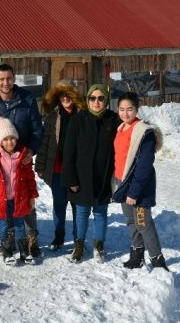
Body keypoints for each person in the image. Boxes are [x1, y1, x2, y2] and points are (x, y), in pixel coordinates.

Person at [0, 64, 44, 258]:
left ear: (14, 79)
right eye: (1, 79)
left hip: (21, 158)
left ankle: (32, 238)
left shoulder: (26, 99)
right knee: (2, 199)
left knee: (25, 199)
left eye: (9, 78)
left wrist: (32, 150)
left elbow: (37, 129)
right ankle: (7, 241)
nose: (6, 82)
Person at [62, 84, 120, 263]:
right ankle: (79, 244)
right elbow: (69, 152)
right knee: (81, 212)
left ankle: (99, 244)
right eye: (93, 98)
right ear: (87, 100)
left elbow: (129, 134)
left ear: (106, 100)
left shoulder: (113, 120)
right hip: (82, 176)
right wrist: (70, 178)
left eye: (101, 98)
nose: (97, 102)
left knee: (101, 212)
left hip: (104, 176)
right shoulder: (78, 120)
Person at [112, 92, 168, 271]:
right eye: (121, 109)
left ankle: (158, 261)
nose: (125, 113)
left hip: (138, 187)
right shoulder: (121, 128)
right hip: (122, 182)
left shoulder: (144, 132)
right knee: (131, 221)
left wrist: (133, 192)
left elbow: (144, 166)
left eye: (129, 109)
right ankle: (137, 256)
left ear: (137, 109)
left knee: (143, 223)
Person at [35, 80, 86, 251]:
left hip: (76, 171)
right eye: (62, 95)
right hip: (57, 169)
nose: (65, 98)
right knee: (59, 204)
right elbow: (45, 143)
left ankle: (78, 239)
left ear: (74, 96)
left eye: (69, 94)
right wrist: (40, 166)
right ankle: (59, 237)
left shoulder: (83, 116)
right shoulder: (52, 117)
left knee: (77, 206)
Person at [0, 117, 38, 265]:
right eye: (5, 139)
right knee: (4, 226)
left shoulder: (23, 156)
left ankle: (24, 251)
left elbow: (30, 179)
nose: (9, 142)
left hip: (19, 199)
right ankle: (7, 251)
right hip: (1, 200)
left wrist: (32, 196)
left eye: (12, 138)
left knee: (19, 225)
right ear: (0, 141)